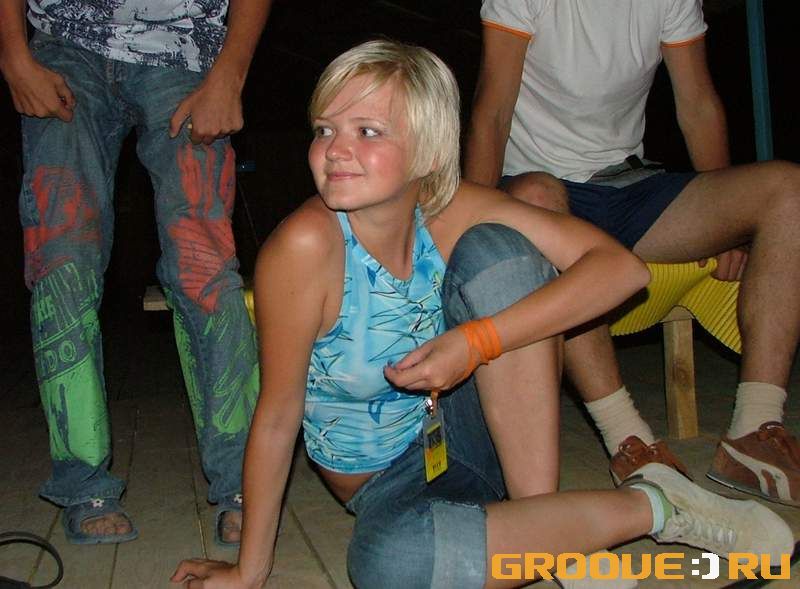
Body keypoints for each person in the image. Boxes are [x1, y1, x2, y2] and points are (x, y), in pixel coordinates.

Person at [170, 40, 793, 589]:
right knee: (387, 564)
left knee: (503, 253)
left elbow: (619, 270)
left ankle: (546, 523)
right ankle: (653, 507)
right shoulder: (304, 248)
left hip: (474, 439)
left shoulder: (449, 210)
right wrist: (249, 572)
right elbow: (277, 416)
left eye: (368, 131)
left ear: (427, 151)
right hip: (384, 486)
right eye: (324, 129)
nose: (336, 151)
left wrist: (477, 340)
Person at [464, 0, 800, 505]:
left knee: (788, 189)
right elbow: (492, 111)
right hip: (537, 186)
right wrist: (472, 225)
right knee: (540, 197)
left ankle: (756, 427)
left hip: (627, 183)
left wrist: (728, 232)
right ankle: (627, 436)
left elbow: (697, 104)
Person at [0, 0, 271, 544]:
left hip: (186, 46)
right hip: (64, 43)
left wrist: (231, 71)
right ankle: (83, 483)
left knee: (203, 265)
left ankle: (244, 481)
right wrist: (13, 53)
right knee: (62, 260)